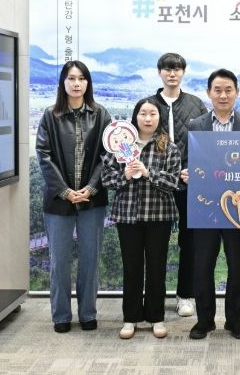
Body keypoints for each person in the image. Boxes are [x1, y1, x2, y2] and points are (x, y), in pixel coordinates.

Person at [36, 60, 111, 333]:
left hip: (93, 199)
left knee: (90, 259)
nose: (76, 83)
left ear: (88, 82)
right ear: (63, 83)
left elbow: (108, 155)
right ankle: (61, 316)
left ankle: (88, 313)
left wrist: (91, 188)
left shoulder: (101, 114)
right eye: (71, 78)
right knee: (60, 261)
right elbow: (44, 156)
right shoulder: (50, 115)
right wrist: (66, 191)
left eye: (81, 78)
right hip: (59, 200)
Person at [187, 68, 240, 340]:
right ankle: (204, 321)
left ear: (237, 92)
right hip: (205, 206)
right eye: (217, 90)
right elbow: (187, 161)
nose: (223, 95)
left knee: (237, 266)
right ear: (209, 93)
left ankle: (234, 320)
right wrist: (186, 173)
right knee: (202, 266)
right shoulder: (196, 125)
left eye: (228, 90)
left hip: (239, 207)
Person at [101, 99, 181, 339]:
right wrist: (124, 176)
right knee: (132, 268)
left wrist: (148, 173)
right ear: (135, 116)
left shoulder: (168, 147)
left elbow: (173, 182)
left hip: (159, 215)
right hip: (127, 216)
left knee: (157, 268)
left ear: (160, 117)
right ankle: (131, 318)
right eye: (143, 113)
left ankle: (156, 317)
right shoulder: (120, 144)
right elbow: (106, 179)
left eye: (153, 114)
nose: (148, 118)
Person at [146, 53, 207, 317]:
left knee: (189, 241)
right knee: (155, 243)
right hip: (156, 185)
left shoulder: (196, 104)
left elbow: (204, 142)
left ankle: (186, 295)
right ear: (159, 72)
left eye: (177, 69)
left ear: (183, 72)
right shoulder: (149, 105)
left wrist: (193, 170)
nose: (172, 74)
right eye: (167, 69)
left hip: (188, 183)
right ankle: (154, 297)